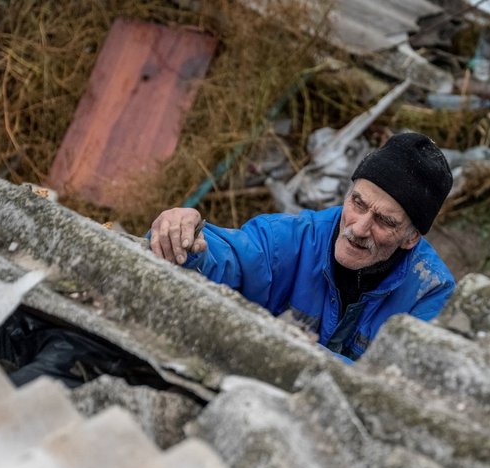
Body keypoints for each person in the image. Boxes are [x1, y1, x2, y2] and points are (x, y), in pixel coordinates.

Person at [149, 132, 456, 362]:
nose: (359, 228)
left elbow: (399, 392)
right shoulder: (297, 238)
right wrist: (188, 242)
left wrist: (302, 352)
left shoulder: (430, 294)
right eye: (357, 203)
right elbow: (236, 256)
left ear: (411, 237)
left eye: (385, 221)